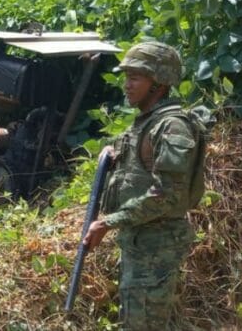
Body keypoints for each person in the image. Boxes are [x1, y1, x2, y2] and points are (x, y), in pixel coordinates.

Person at [83, 41, 201, 330]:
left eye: (135, 78)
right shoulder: (146, 123)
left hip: (156, 246)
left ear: (158, 84)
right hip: (141, 243)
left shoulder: (172, 126)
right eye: (127, 77)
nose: (127, 85)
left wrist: (108, 222)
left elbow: (167, 195)